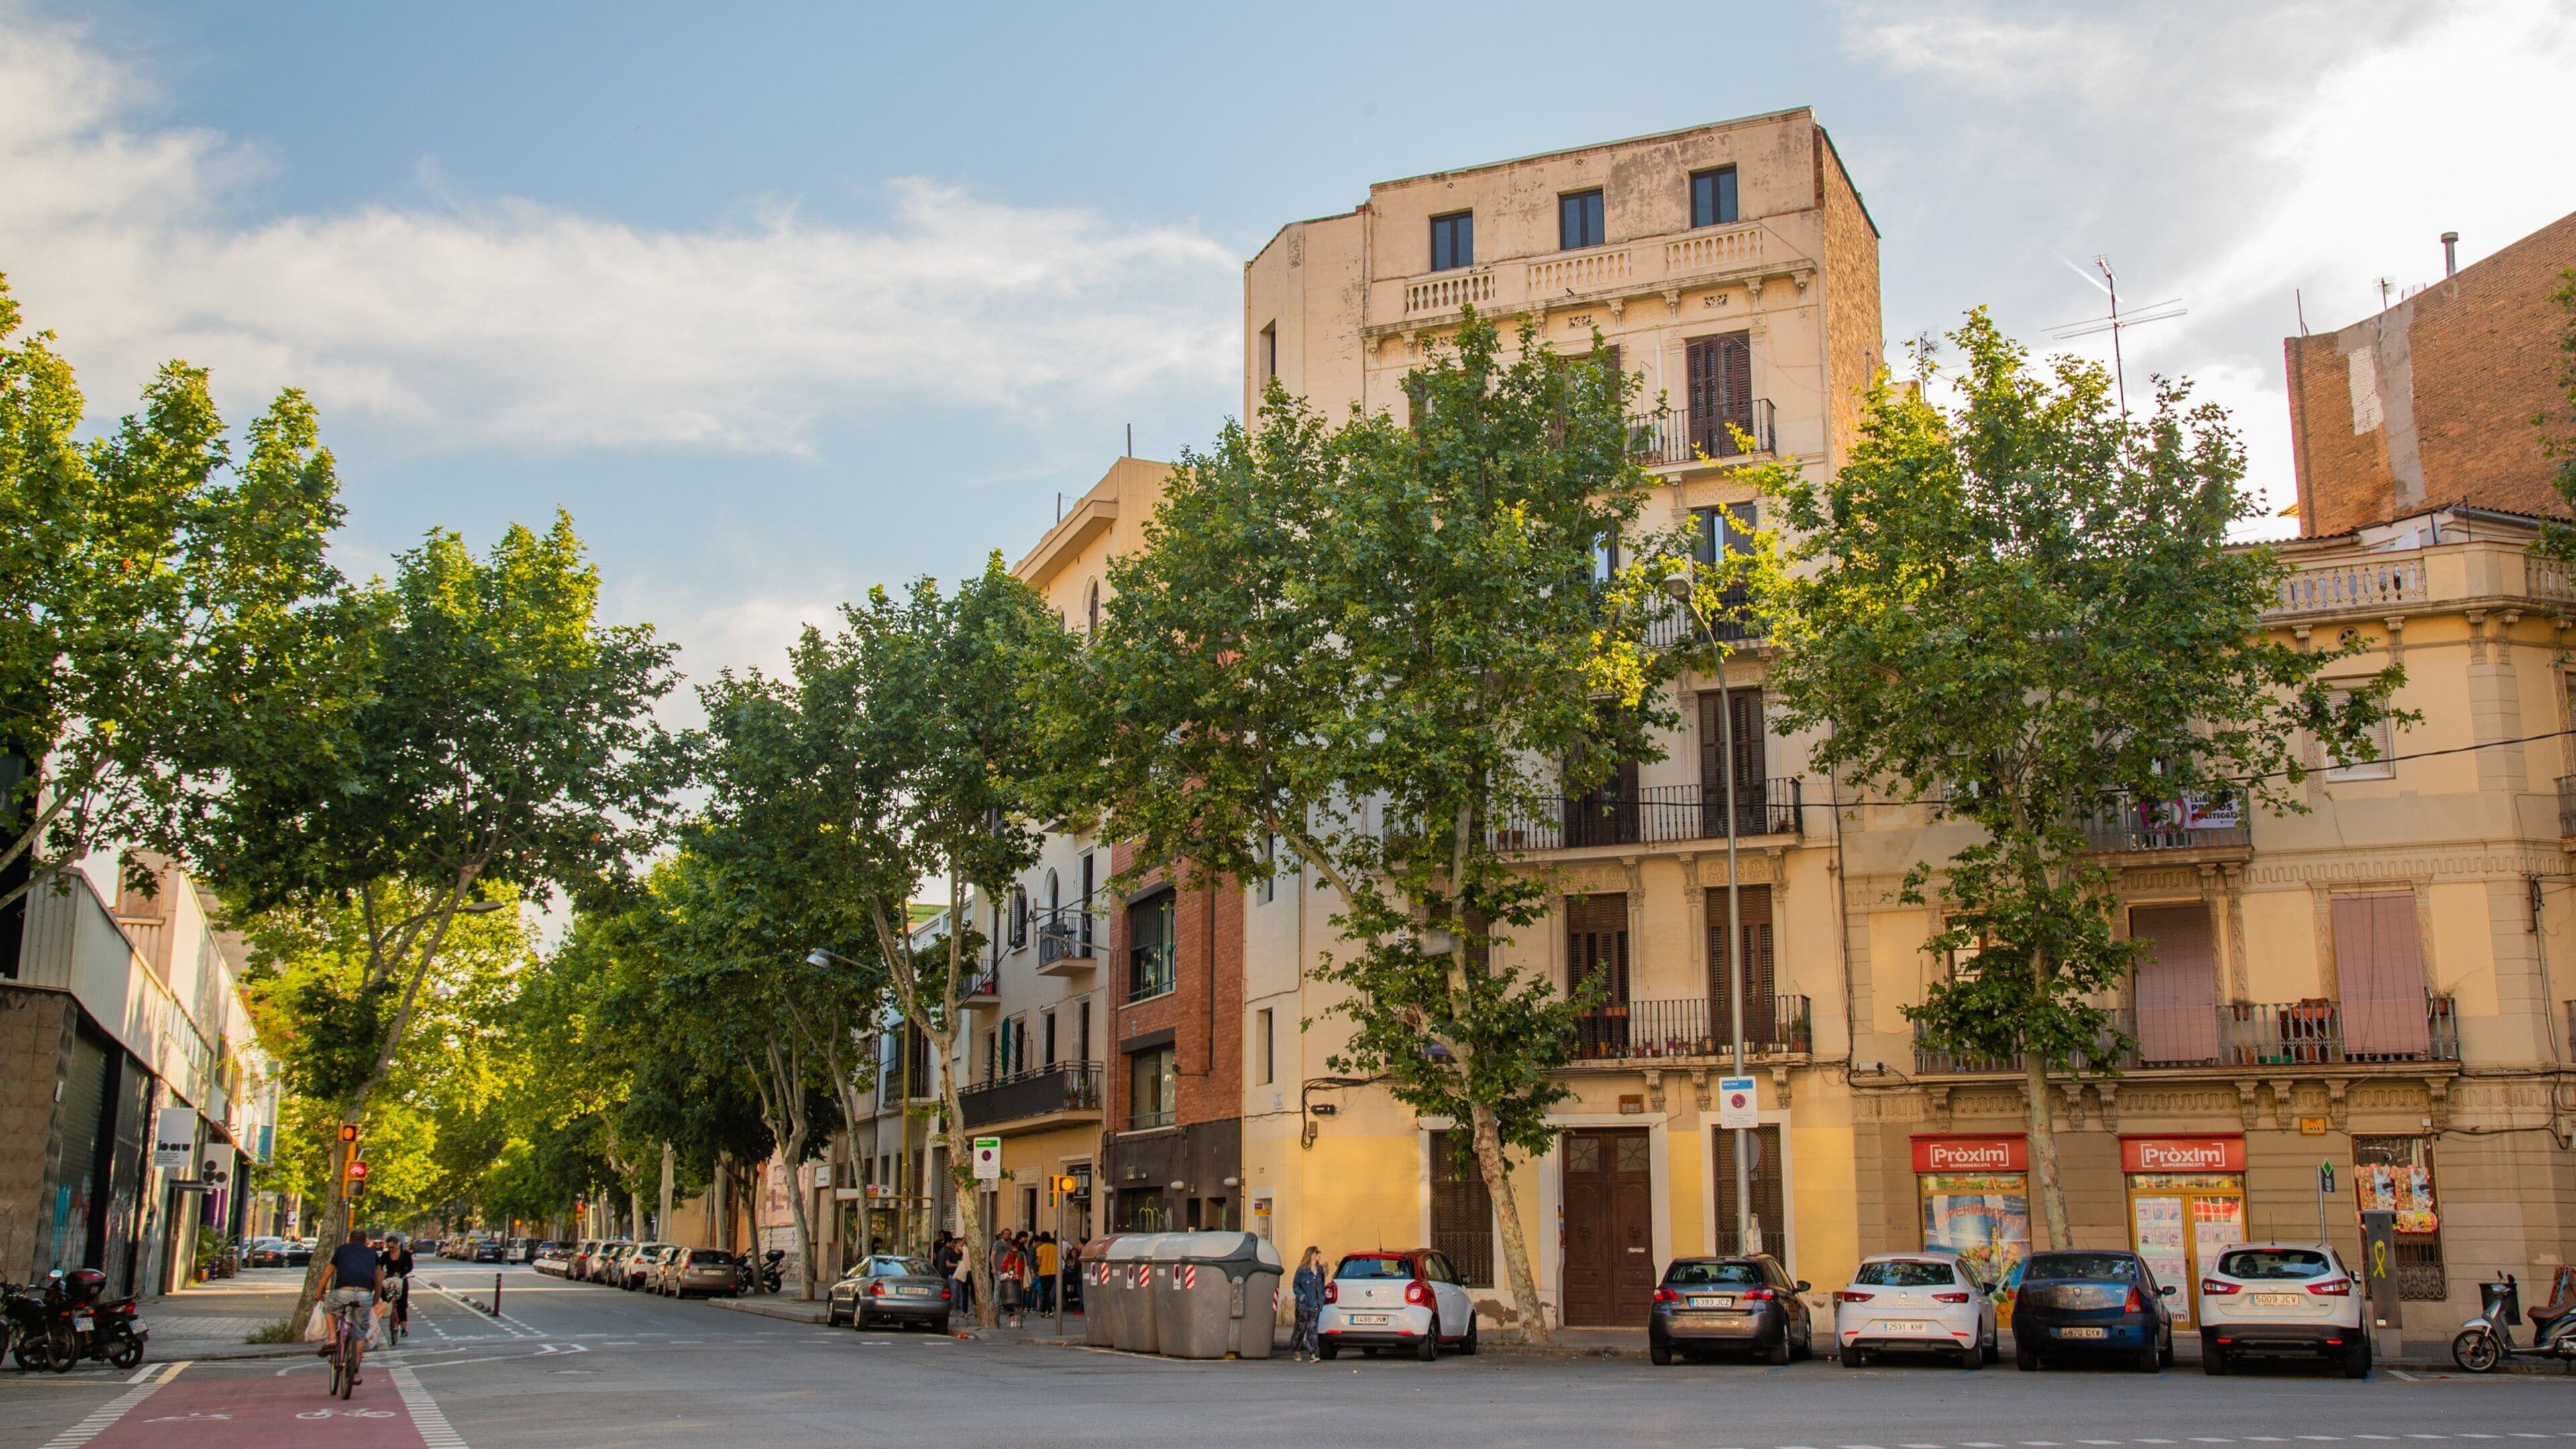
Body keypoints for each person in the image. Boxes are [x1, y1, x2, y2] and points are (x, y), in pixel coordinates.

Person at [318, 1228, 386, 1383]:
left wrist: (319, 1291)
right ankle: (355, 1372)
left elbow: (327, 1273)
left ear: (349, 1239)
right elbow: (378, 1279)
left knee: (329, 1307)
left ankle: (333, 1337)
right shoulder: (372, 1254)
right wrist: (375, 1299)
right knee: (360, 1332)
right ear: (365, 1241)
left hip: (343, 1292)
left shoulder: (342, 1250)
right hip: (364, 1294)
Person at [1289, 1246, 1326, 1363]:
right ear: (1311, 1255)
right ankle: (1296, 1349)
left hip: (1316, 1305)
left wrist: (1322, 1298)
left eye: (1320, 1253)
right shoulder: (1302, 1271)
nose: (1319, 1255)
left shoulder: (1320, 1270)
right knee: (1300, 1329)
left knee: (1313, 1330)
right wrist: (1302, 1296)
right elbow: (1296, 1285)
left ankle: (1314, 1353)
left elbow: (1322, 1285)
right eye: (1317, 1253)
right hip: (1303, 1306)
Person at [378, 1232, 416, 1336]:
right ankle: (388, 1313)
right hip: (389, 1280)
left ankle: (404, 1330)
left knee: (402, 1305)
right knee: (384, 1297)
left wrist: (401, 1273)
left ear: (398, 1244)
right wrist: (382, 1273)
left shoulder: (406, 1255)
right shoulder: (386, 1255)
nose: (391, 1249)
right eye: (389, 1247)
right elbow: (380, 1266)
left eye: (392, 1247)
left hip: (401, 1280)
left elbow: (410, 1267)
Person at [1032, 1232, 1058, 1316]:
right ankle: (1043, 1311)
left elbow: (1039, 1262)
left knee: (1045, 1292)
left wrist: (1036, 1262)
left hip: (1043, 1272)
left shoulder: (1040, 1249)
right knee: (1047, 1291)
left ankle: (1049, 1311)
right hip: (1053, 1272)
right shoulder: (1055, 1248)